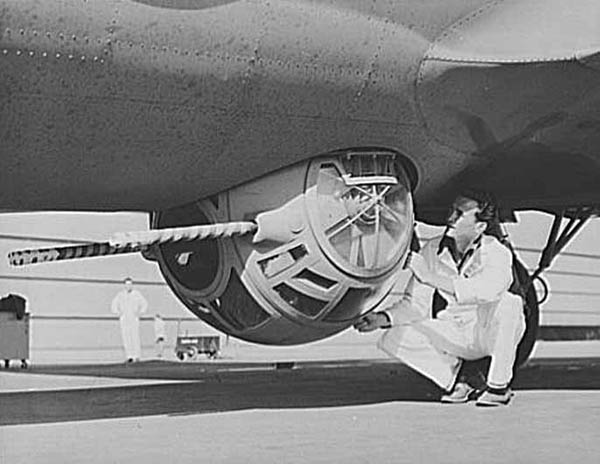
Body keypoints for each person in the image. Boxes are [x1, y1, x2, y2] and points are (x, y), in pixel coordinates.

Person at [355, 191, 526, 406]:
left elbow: (488, 291)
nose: (450, 218)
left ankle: (498, 387)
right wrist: (382, 318)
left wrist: (429, 277)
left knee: (511, 304)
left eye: (460, 214)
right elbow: (416, 305)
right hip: (455, 330)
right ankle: (460, 381)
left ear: (480, 226)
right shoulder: (432, 249)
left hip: (487, 330)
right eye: (452, 211)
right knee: (395, 336)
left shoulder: (497, 252)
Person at [111, 277, 148, 363]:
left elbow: (144, 304)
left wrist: (140, 312)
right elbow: (114, 305)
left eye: (130, 284)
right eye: (127, 285)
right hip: (125, 319)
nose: (129, 286)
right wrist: (118, 313)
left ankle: (137, 355)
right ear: (124, 286)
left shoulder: (137, 294)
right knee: (126, 337)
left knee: (135, 336)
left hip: (134, 318)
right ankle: (129, 356)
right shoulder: (120, 295)